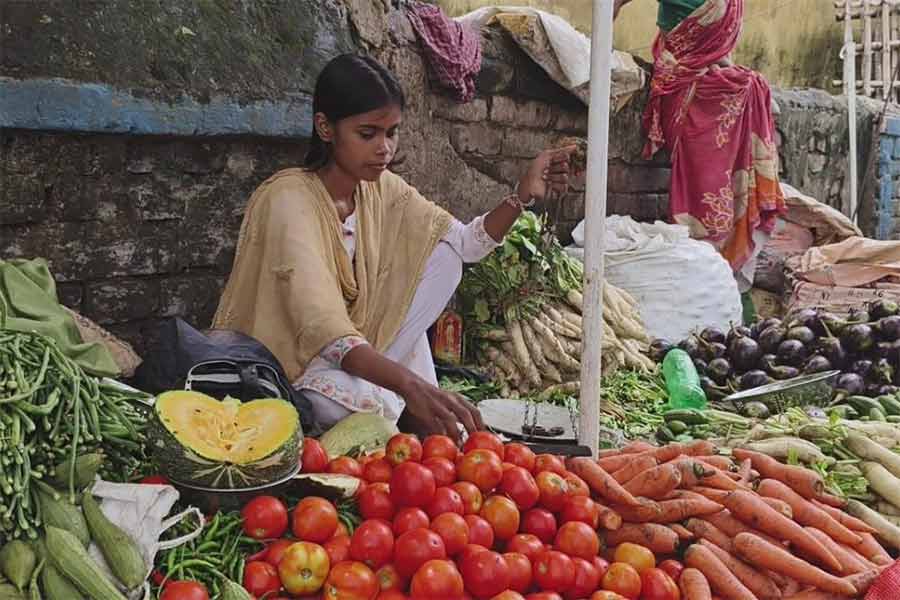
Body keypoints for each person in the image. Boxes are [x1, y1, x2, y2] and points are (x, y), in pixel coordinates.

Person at [212, 54, 577, 442]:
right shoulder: (288, 199)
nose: (384, 148)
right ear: (325, 127)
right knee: (342, 404)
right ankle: (399, 403)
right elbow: (322, 325)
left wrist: (523, 194)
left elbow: (467, 245)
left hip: (363, 356)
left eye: (392, 132)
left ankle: (396, 401)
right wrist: (410, 385)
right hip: (294, 364)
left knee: (445, 257)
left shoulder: (381, 189)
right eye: (368, 134)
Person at [614, 0, 785, 279]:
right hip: (691, 94)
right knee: (706, 196)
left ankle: (713, 274)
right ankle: (707, 271)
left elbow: (715, 48)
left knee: (718, 197)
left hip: (708, 90)